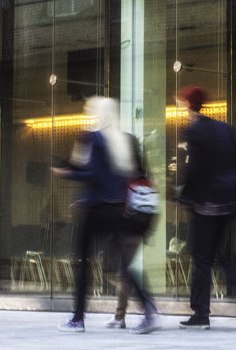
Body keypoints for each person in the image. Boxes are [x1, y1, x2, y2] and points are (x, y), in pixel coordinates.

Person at [53, 97, 159, 334]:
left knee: (83, 263)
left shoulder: (93, 137)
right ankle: (148, 309)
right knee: (125, 265)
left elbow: (93, 174)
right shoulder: (122, 140)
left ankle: (78, 318)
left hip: (95, 209)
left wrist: (65, 173)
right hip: (118, 208)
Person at [176, 86, 236, 330]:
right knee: (220, 252)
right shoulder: (225, 129)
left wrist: (184, 196)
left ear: (189, 104)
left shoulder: (195, 132)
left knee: (201, 259)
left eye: (181, 101)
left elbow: (195, 170)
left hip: (205, 206)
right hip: (227, 203)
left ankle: (200, 314)